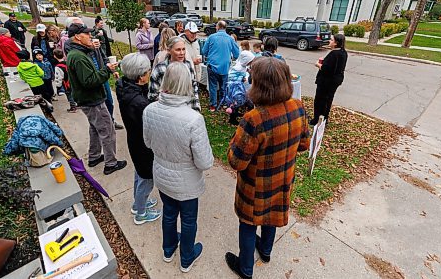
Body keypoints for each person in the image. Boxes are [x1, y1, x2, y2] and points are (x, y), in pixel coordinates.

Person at [225, 57, 310, 279]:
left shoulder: (254, 119)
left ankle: (245, 269)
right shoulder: (298, 107)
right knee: (271, 215)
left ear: (257, 83)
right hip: (282, 180)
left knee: (248, 224)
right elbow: (303, 144)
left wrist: (235, 138)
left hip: (255, 186)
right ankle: (266, 251)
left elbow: (236, 161)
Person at [142, 62, 214, 273]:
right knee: (189, 220)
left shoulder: (149, 110)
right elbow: (205, 162)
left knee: (169, 213)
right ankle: (186, 259)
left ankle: (168, 249)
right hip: (187, 181)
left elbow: (147, 142)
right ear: (186, 84)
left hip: (162, 175)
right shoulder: (194, 119)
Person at [66, 23, 127, 175]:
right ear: (77, 37)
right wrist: (107, 70)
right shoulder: (78, 57)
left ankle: (94, 157)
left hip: (87, 100)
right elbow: (89, 81)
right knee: (107, 130)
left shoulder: (78, 53)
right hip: (92, 100)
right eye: (86, 34)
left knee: (95, 127)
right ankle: (111, 164)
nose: (90, 36)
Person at [116, 53, 161, 225]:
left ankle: (138, 203)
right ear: (141, 76)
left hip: (133, 141)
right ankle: (141, 213)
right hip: (143, 146)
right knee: (147, 179)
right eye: (148, 71)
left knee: (139, 174)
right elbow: (150, 128)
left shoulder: (123, 85)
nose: (150, 73)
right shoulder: (139, 104)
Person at [149, 36, 200, 111]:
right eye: (178, 50)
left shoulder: (188, 66)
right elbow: (152, 95)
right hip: (166, 112)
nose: (182, 53)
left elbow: (194, 89)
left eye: (183, 49)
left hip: (186, 111)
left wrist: (196, 110)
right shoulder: (160, 69)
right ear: (169, 50)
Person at [309, 34, 348, 126]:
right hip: (336, 80)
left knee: (320, 100)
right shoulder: (343, 52)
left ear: (336, 43)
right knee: (328, 100)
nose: (329, 41)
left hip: (326, 82)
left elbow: (326, 69)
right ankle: (324, 119)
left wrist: (318, 64)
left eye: (331, 40)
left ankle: (316, 120)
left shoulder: (334, 54)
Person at [202, 20, 240, 112]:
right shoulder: (230, 39)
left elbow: (203, 51)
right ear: (225, 28)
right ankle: (223, 104)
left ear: (217, 27)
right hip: (225, 67)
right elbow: (236, 53)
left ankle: (213, 106)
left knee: (213, 86)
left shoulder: (211, 37)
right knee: (224, 86)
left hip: (212, 66)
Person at [53, 48, 77, 112]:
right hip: (73, 81)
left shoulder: (58, 67)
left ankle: (73, 107)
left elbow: (58, 77)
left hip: (66, 83)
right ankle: (77, 103)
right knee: (74, 93)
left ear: (54, 56)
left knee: (69, 95)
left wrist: (58, 86)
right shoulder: (68, 62)